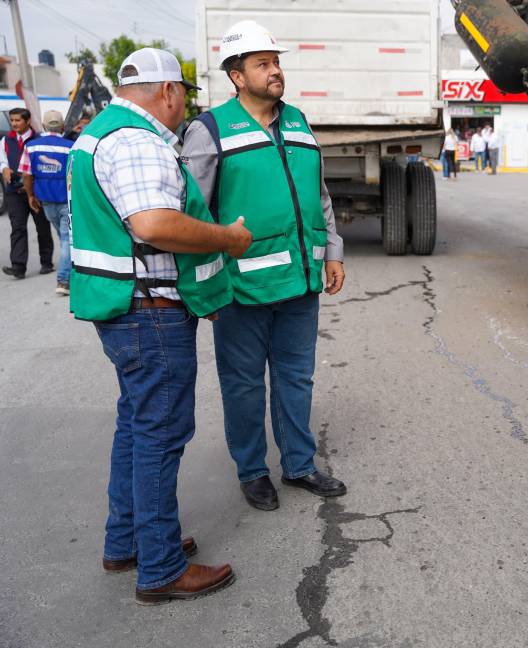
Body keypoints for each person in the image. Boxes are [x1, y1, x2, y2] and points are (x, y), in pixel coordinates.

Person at [69, 48, 251, 604]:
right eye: (185, 97)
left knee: (136, 427)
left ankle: (128, 543)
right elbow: (153, 223)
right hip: (150, 312)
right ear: (168, 92)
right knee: (159, 437)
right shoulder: (138, 140)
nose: (184, 109)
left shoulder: (99, 133)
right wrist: (227, 237)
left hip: (124, 309)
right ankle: (162, 567)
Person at [182, 20, 348, 512]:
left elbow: (318, 194)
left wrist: (333, 251)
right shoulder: (208, 131)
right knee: (243, 385)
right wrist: (204, 291)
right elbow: (193, 215)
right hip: (241, 291)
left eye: (276, 62)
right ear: (237, 76)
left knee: (297, 378)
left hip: (300, 283)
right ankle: (252, 471)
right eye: (263, 64)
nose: (275, 71)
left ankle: (298, 465)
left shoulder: (298, 120)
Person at [22, 110, 74, 295]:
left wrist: (30, 196)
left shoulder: (32, 146)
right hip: (66, 200)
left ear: (43, 126)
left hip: (46, 200)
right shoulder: (71, 146)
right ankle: (65, 280)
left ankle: (65, 277)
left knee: (65, 239)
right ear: (62, 126)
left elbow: (27, 175)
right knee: (67, 239)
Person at [2, 107, 54, 279]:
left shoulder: (39, 139)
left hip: (35, 190)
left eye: (18, 120)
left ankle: (46, 262)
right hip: (14, 192)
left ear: (28, 121)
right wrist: (4, 169)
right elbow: (2, 159)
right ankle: (18, 266)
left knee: (42, 227)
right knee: (17, 228)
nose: (14, 123)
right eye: (12, 120)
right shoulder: (5, 140)